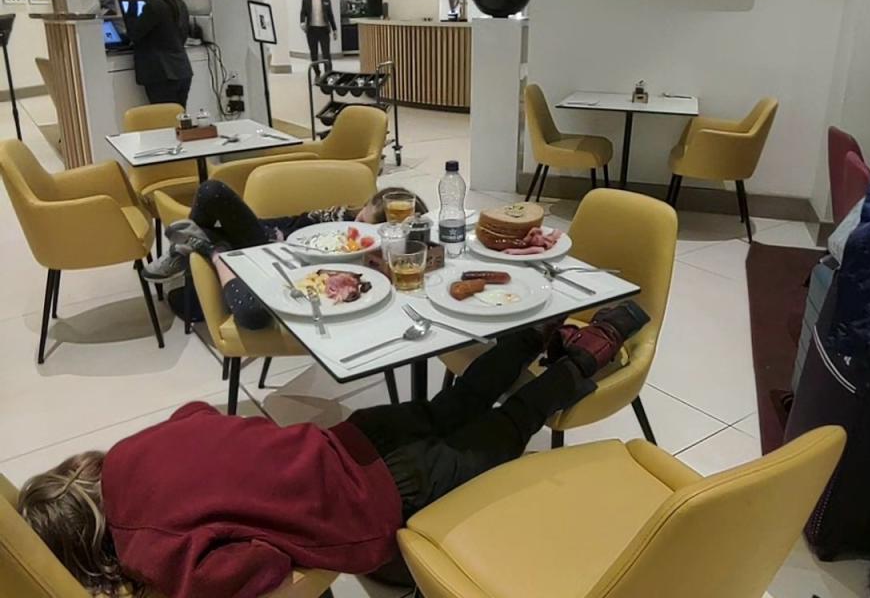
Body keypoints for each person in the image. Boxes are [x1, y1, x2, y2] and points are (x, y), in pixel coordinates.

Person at [18, 301, 648, 598]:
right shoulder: (130, 450)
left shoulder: (148, 547)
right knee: (451, 405)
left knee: (506, 429)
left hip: (386, 493)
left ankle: (590, 350)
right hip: (356, 436)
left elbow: (253, 570)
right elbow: (197, 414)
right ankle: (536, 333)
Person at [142, 180, 427, 329]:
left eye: (369, 229)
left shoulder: (392, 259)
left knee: (251, 315)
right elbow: (286, 227)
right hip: (268, 245)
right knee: (213, 191)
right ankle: (190, 250)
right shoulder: (336, 218)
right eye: (361, 219)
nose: (357, 230)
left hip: (288, 274)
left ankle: (205, 248)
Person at [123, 0, 193, 107]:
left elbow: (134, 33)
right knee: (179, 118)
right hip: (181, 69)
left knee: (164, 121)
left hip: (161, 73)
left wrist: (132, 3)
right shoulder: (179, 3)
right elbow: (182, 35)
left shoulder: (153, 6)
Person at [300, 0, 338, 76]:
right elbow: (303, 12)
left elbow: (330, 14)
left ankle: (328, 73)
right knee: (314, 53)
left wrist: (334, 29)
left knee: (326, 53)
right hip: (312, 29)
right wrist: (302, 22)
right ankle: (317, 72)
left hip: (323, 29)